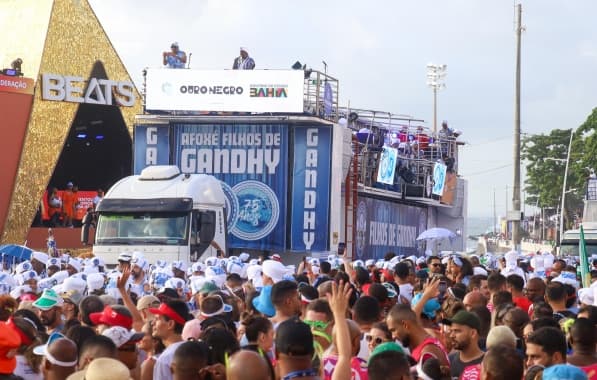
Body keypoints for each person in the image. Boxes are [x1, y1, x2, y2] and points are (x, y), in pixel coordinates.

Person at [386, 304, 450, 374]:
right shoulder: (424, 345)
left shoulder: (427, 353)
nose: (393, 336)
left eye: (393, 330)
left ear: (405, 325)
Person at [149, 300, 192, 380]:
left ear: (170, 324)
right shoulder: (193, 349)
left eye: (157, 319)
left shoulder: (165, 359)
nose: (152, 323)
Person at [444, 310, 485, 380]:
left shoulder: (486, 363)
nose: (451, 335)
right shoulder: (449, 360)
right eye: (451, 331)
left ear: (473, 333)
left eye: (457, 331)